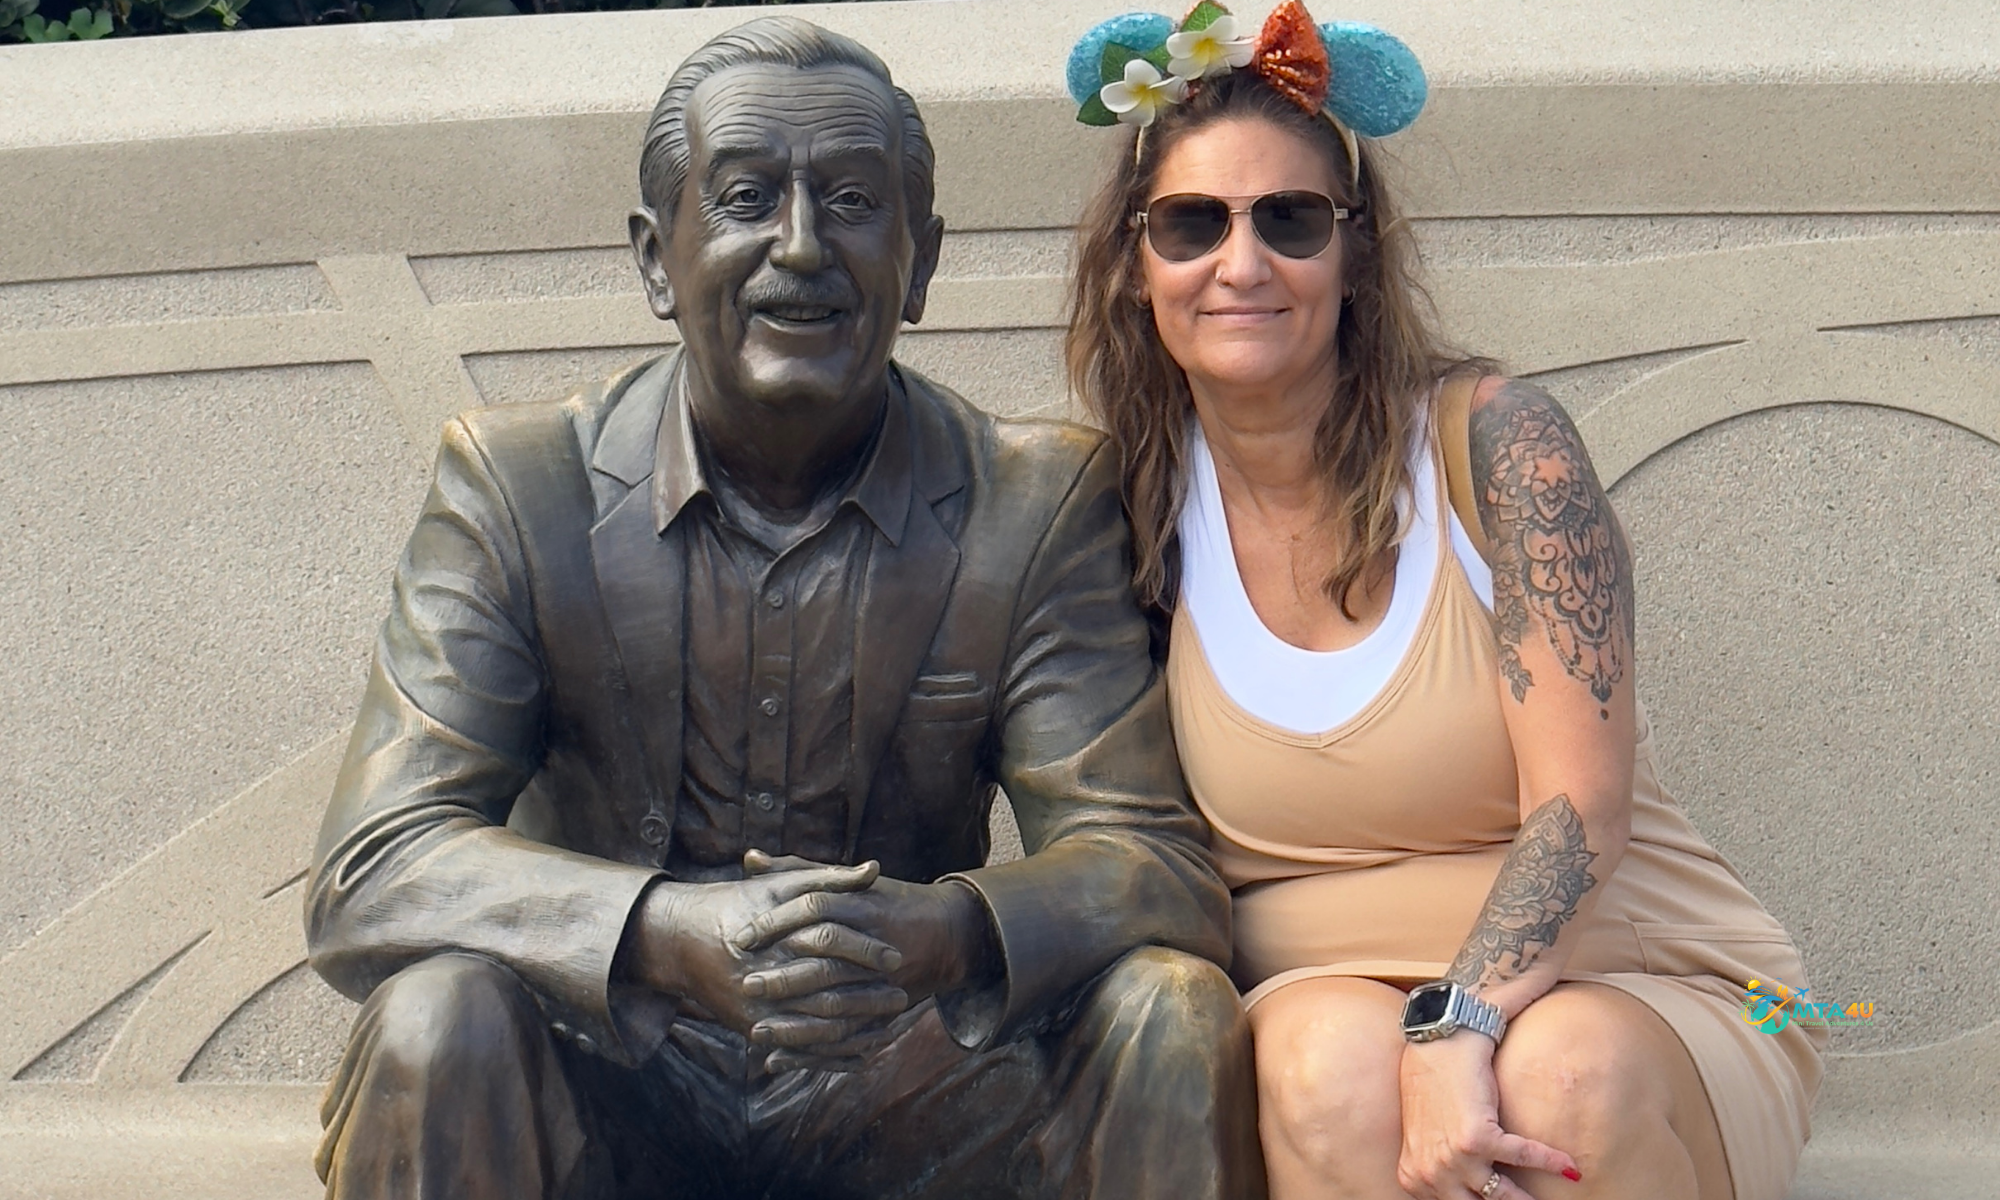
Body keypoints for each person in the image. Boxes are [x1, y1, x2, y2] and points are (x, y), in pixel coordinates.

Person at [303, 16, 1265, 1200]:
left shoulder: (1032, 500)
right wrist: (660, 935)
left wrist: (947, 932)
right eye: (748, 196)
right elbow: (377, 864)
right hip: (620, 1077)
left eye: (854, 202)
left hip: (912, 1083)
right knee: (434, 1015)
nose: (800, 247)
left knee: (1171, 1011)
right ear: (658, 258)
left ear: (918, 266)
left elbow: (1152, 862)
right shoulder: (520, 486)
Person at [1062, 4, 1824, 1200]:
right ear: (1132, 262)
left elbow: (1580, 810)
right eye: (1191, 223)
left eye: (1292, 220)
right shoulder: (1122, 516)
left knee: (1563, 1076)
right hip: (1328, 1001)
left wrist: (1453, 1026)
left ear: (1354, 253)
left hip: (1626, 985)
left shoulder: (1495, 447)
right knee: (1318, 1068)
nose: (1242, 263)